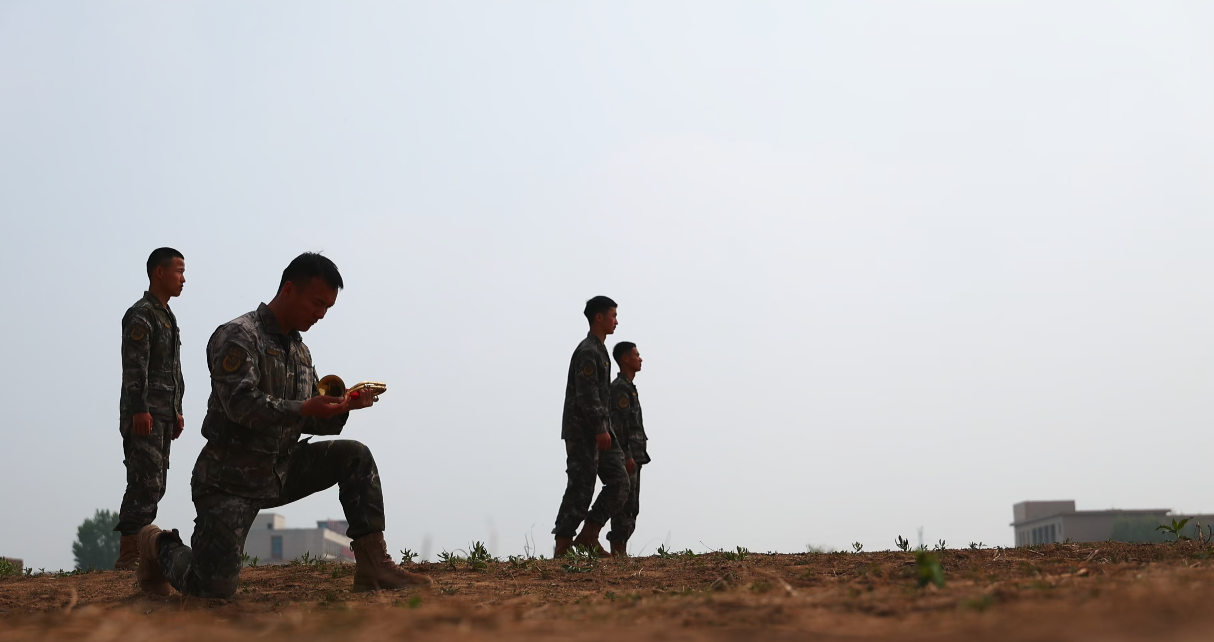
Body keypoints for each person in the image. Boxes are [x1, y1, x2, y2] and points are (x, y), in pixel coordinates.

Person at [134, 252, 430, 597]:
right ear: (289, 289)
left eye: (327, 307)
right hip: (230, 481)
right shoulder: (238, 335)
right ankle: (157, 545)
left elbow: (307, 418)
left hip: (282, 470)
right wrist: (305, 406)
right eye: (317, 303)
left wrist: (342, 407)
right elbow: (240, 406)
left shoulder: (300, 352)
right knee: (212, 591)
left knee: (355, 457)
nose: (321, 314)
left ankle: (373, 565)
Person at [114, 248, 187, 570]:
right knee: (144, 482)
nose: (183, 279)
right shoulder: (141, 315)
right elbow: (135, 368)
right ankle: (130, 555)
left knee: (156, 483)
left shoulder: (166, 316)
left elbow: (171, 370)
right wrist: (139, 409)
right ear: (159, 272)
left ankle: (140, 552)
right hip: (145, 414)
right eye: (178, 271)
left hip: (162, 414)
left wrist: (176, 410)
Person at [552, 296, 630, 558]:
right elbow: (586, 394)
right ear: (599, 317)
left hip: (602, 430)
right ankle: (563, 545)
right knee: (581, 485)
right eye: (613, 315)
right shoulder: (588, 350)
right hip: (583, 430)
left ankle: (589, 534)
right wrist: (599, 428)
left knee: (620, 481)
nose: (616, 321)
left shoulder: (601, 351)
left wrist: (604, 428)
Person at [605, 341, 649, 557]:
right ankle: (617, 553)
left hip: (635, 456)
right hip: (626, 457)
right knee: (625, 505)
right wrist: (627, 455)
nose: (640, 359)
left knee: (631, 506)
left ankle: (619, 552)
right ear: (625, 359)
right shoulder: (620, 389)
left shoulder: (629, 388)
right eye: (636, 355)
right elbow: (618, 426)